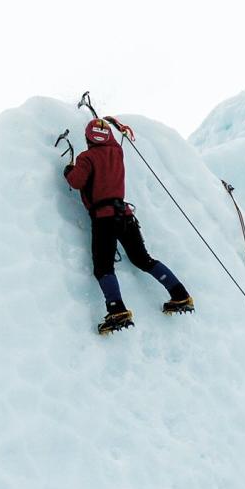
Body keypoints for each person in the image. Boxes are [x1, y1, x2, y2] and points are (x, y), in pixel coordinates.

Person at [63, 117, 194, 334]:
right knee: (143, 259)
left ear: (88, 139)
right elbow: (113, 143)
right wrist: (112, 124)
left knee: (103, 267)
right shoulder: (117, 152)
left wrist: (68, 169)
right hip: (125, 216)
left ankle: (117, 310)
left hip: (104, 219)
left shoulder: (87, 157)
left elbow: (76, 181)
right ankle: (179, 294)